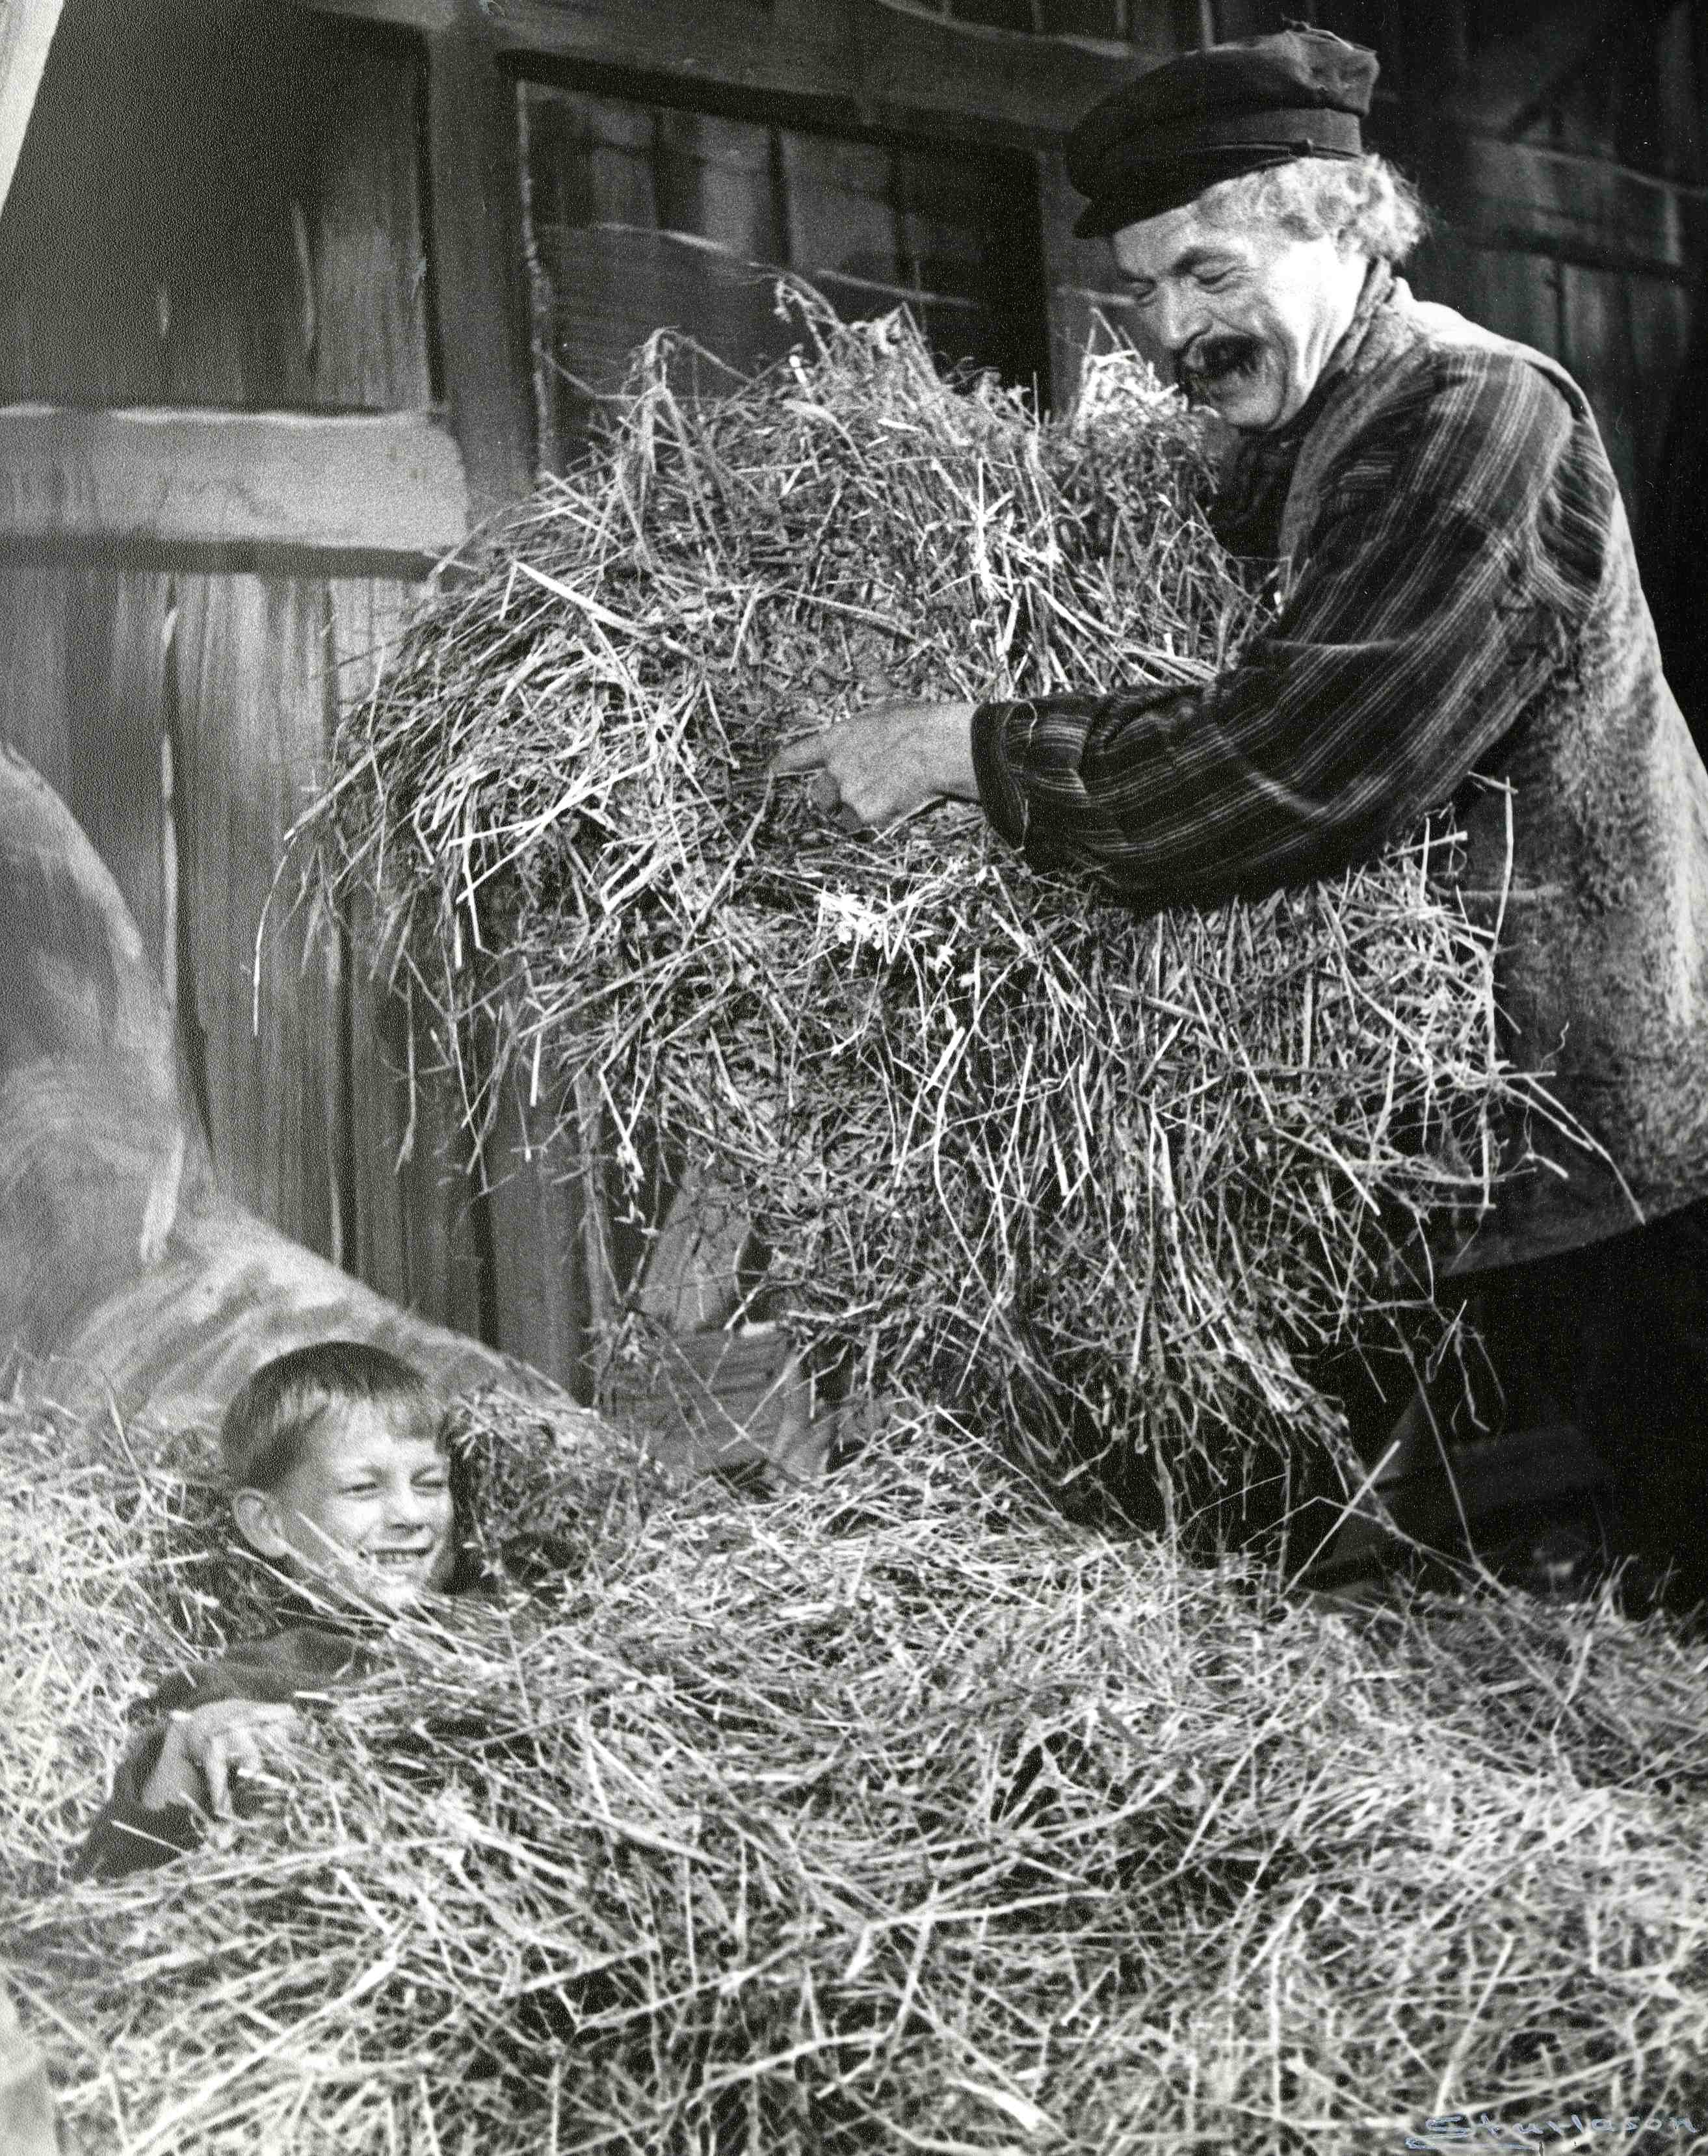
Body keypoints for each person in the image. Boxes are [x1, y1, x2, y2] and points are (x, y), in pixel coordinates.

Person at [770, 27, 1708, 1604]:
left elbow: (1294, 762)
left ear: (1345, 224)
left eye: (1207, 273)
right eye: (1141, 290)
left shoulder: (1473, 419)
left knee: (1674, 1544)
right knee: (1241, 1543)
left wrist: (962, 748)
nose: (1169, 330)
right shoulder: (1296, 436)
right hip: (1407, 1126)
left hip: (1589, 1113)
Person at [74, 1340, 562, 1881]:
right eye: (362, 1488)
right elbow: (107, 1883)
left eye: (430, 1484)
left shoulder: (510, 1608)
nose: (410, 1515)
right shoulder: (250, 1681)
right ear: (268, 1524)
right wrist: (188, 1746)